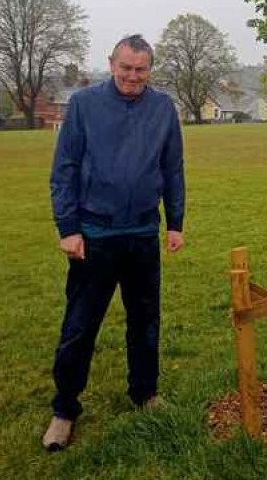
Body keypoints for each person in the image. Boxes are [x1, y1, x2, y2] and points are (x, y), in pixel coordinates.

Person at [42, 34, 185, 452]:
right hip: (94, 238)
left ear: (150, 69)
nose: (132, 76)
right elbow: (64, 168)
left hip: (142, 234)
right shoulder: (84, 105)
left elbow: (172, 168)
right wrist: (68, 228)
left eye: (141, 69)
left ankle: (145, 394)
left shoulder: (162, 108)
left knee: (145, 322)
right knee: (80, 327)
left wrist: (174, 222)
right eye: (125, 67)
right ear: (112, 63)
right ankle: (64, 410)